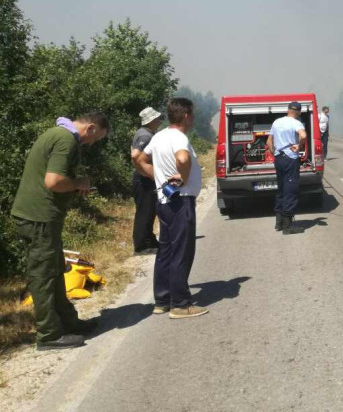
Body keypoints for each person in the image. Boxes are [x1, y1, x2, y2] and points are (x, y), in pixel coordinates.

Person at [12, 113, 110, 350]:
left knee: (56, 270)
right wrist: (79, 183)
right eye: (96, 138)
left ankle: (68, 323)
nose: (92, 144)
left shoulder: (57, 134)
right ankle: (48, 335)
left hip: (40, 217)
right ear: (91, 128)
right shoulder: (66, 140)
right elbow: (54, 181)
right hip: (39, 218)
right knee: (44, 276)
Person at [134, 97, 208, 319]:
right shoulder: (178, 137)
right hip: (180, 200)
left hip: (164, 201)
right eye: (192, 114)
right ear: (185, 115)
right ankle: (181, 304)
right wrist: (183, 178)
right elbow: (183, 158)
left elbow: (139, 158)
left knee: (165, 250)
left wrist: (157, 176)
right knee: (181, 252)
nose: (193, 118)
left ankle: (162, 300)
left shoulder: (159, 136)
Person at [267, 101, 307, 234]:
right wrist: (299, 146)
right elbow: (303, 136)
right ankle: (288, 225)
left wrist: (275, 153)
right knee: (291, 188)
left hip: (279, 158)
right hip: (290, 158)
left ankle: (278, 222)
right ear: (299, 112)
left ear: (288, 110)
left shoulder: (277, 122)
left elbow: (269, 142)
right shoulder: (296, 123)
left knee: (282, 188)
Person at [130, 107, 163, 254]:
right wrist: (146, 171)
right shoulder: (145, 136)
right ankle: (142, 246)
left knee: (150, 211)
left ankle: (149, 240)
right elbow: (135, 155)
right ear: (151, 121)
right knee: (145, 212)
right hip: (144, 179)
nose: (159, 121)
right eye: (157, 119)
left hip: (145, 177)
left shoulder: (147, 133)